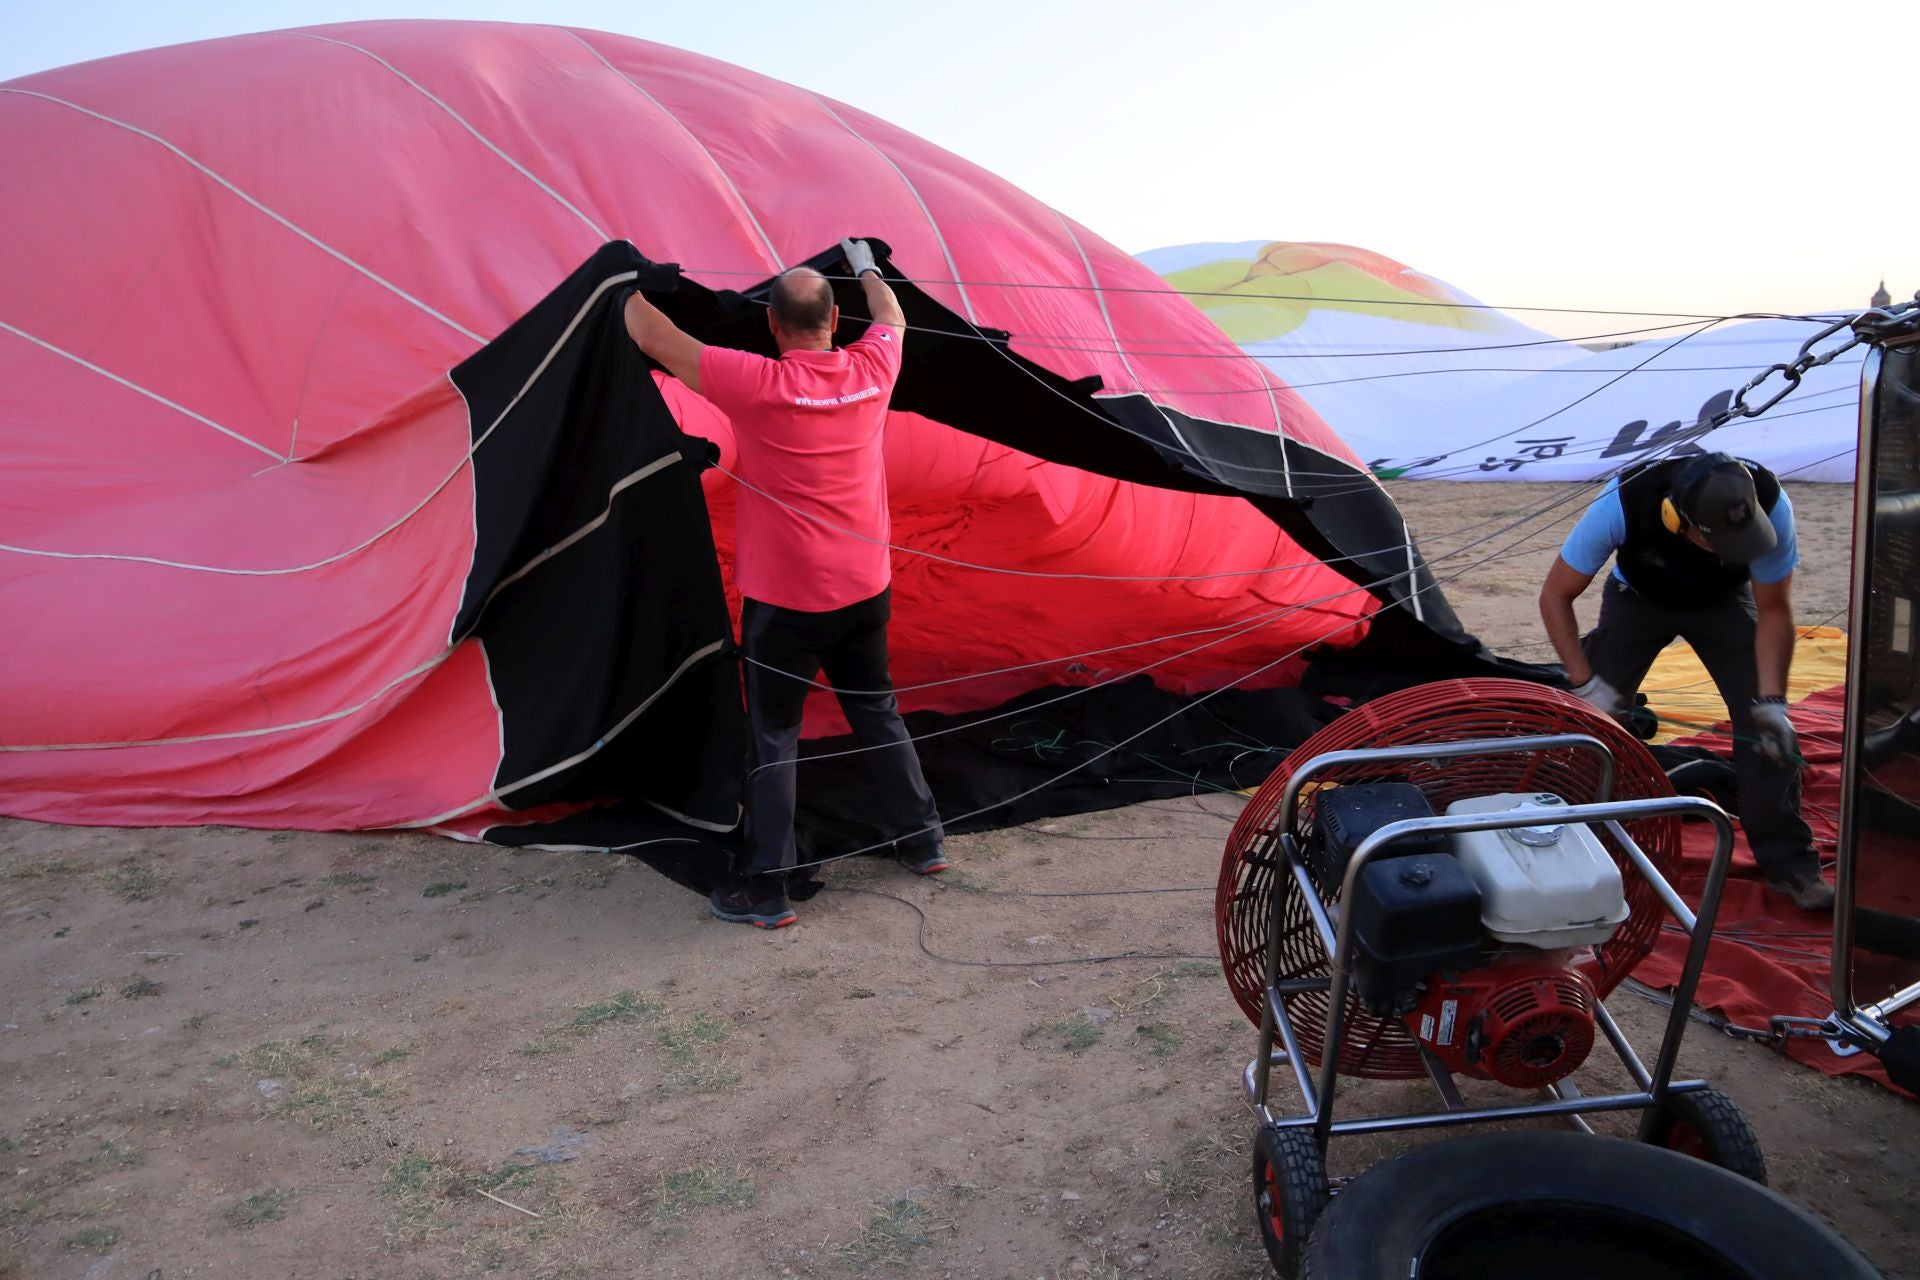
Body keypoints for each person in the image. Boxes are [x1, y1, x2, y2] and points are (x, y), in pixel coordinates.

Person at [622, 239, 947, 928]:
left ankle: (767, 889)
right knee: (876, 709)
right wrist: (863, 267)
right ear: (835, 321)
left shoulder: (756, 382)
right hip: (866, 586)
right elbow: (894, 313)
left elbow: (653, 334)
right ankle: (923, 842)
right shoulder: (874, 364)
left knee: (773, 738)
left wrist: (619, 278)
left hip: (788, 601)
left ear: (771, 326)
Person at [1538, 451, 1833, 911]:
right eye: (1726, 541)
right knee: (1587, 724)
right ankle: (1561, 842)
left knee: (1768, 731)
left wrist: (1772, 701)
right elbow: (1555, 596)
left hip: (1723, 604)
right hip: (1638, 596)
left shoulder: (1771, 503)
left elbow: (1775, 608)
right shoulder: (1622, 503)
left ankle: (1792, 866)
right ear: (1683, 523)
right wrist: (1586, 683)